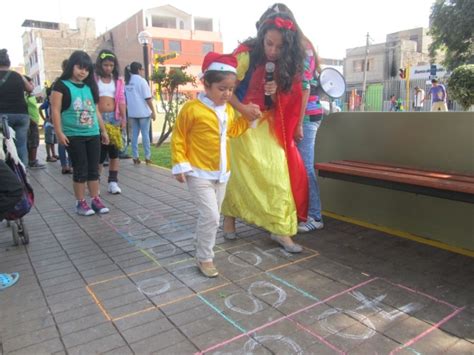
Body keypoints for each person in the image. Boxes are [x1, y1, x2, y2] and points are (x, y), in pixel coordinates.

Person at [221, 11, 308, 253]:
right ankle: (229, 219)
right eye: (269, 43)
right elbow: (227, 90)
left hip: (267, 122)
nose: (272, 51)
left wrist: (276, 90)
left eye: (279, 47)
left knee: (276, 174)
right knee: (237, 175)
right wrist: (243, 109)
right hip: (241, 123)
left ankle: (280, 229)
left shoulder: (288, 62)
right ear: (261, 37)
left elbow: (290, 97)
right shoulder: (245, 54)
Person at [171, 52, 251, 277]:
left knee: (211, 217)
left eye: (231, 89)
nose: (227, 94)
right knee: (212, 216)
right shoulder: (192, 109)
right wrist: (180, 163)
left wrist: (247, 119)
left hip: (221, 173)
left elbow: (232, 132)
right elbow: (179, 136)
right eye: (221, 88)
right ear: (206, 84)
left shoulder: (227, 110)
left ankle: (202, 243)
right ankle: (205, 258)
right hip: (198, 173)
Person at [50, 50, 110, 216]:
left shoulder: (90, 86)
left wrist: (103, 130)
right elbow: (55, 110)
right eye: (79, 67)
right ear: (72, 66)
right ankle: (80, 202)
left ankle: (95, 199)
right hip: (73, 135)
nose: (82, 72)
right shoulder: (61, 85)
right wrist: (59, 133)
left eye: (86, 69)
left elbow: (95, 110)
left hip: (92, 133)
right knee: (80, 168)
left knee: (93, 169)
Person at [95, 49, 126, 194]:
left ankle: (113, 182)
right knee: (99, 154)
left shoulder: (118, 81)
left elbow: (121, 100)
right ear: (100, 65)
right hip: (99, 118)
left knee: (114, 152)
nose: (108, 68)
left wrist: (123, 118)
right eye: (106, 65)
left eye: (111, 65)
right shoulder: (94, 79)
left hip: (114, 118)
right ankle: (96, 182)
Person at [0, 49, 34, 165]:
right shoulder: (17, 75)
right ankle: (23, 175)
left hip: (2, 116)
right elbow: (30, 88)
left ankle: (8, 176)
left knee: (3, 148)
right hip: (21, 115)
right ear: (8, 63)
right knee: (21, 146)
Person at [124, 62, 156, 165]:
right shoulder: (142, 81)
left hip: (132, 113)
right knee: (145, 134)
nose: (142, 71)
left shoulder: (127, 82)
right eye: (142, 69)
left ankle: (135, 156)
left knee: (134, 135)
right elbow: (148, 98)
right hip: (143, 112)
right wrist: (153, 112)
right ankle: (147, 157)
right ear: (138, 70)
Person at [24, 76, 46, 169]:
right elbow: (24, 108)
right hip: (30, 122)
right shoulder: (24, 95)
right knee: (33, 141)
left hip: (34, 121)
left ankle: (32, 160)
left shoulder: (30, 95)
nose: (32, 85)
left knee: (35, 141)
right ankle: (32, 161)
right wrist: (31, 120)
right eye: (31, 83)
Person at [39, 87, 59, 163]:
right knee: (48, 141)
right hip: (49, 125)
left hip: (54, 124)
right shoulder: (47, 102)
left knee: (53, 141)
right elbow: (40, 108)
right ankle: (48, 156)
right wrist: (44, 118)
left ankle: (53, 154)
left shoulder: (54, 102)